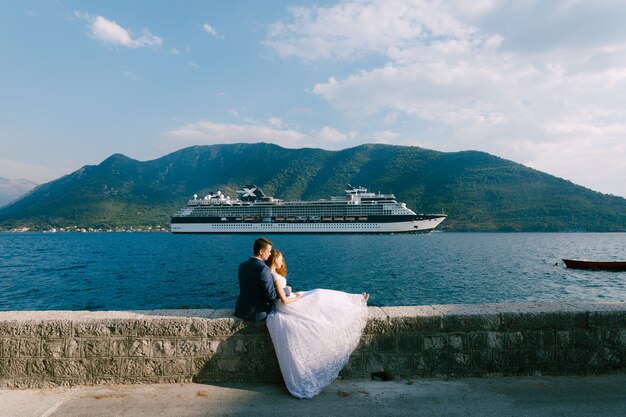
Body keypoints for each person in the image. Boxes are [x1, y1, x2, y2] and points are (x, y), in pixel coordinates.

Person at [265, 249, 369, 399]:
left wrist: (291, 292)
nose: (282, 261)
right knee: (319, 295)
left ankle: (355, 300)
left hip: (285, 302)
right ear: (275, 259)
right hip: (288, 304)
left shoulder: (270, 273)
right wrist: (297, 297)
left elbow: (280, 295)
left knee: (318, 296)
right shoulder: (274, 276)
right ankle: (356, 300)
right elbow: (285, 300)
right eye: (280, 259)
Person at [234, 237, 277, 321]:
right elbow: (271, 295)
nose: (270, 254)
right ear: (261, 252)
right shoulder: (263, 269)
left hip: (240, 311)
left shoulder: (242, 265)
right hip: (257, 314)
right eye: (268, 251)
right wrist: (286, 291)